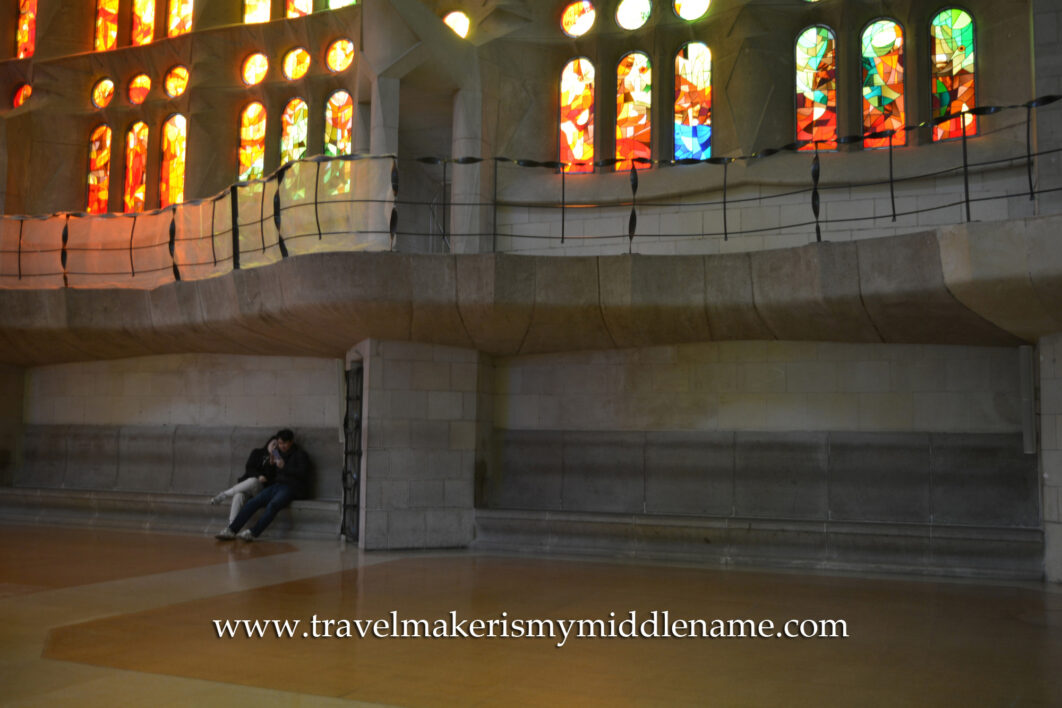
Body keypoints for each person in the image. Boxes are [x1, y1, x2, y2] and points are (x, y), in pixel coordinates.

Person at [215, 429, 311, 541]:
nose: (282, 446)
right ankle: (231, 530)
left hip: (291, 487)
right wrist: (271, 462)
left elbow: (303, 473)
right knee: (253, 502)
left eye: (284, 443)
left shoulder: (300, 455)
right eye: (280, 443)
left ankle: (253, 532)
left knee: (273, 505)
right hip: (276, 485)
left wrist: (284, 467)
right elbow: (270, 475)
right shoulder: (277, 454)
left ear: (291, 442)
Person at [209, 435, 279, 524]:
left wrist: (272, 462)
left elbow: (275, 478)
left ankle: (224, 494)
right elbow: (249, 468)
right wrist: (258, 475)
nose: (274, 447)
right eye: (273, 444)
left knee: (254, 481)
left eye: (277, 446)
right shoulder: (257, 452)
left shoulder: (278, 459)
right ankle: (231, 527)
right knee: (239, 495)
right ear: (269, 442)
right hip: (248, 486)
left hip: (262, 491)